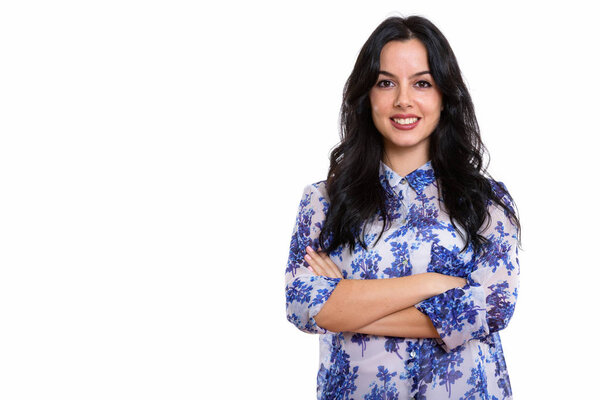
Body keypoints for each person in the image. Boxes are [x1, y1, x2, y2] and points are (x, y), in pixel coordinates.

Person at [284, 15, 521, 400]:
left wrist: (346, 300)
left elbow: (491, 307)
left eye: (422, 83)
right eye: (386, 83)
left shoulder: (486, 200)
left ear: (445, 96)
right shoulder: (323, 201)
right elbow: (304, 307)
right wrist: (431, 285)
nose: (403, 100)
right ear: (367, 97)